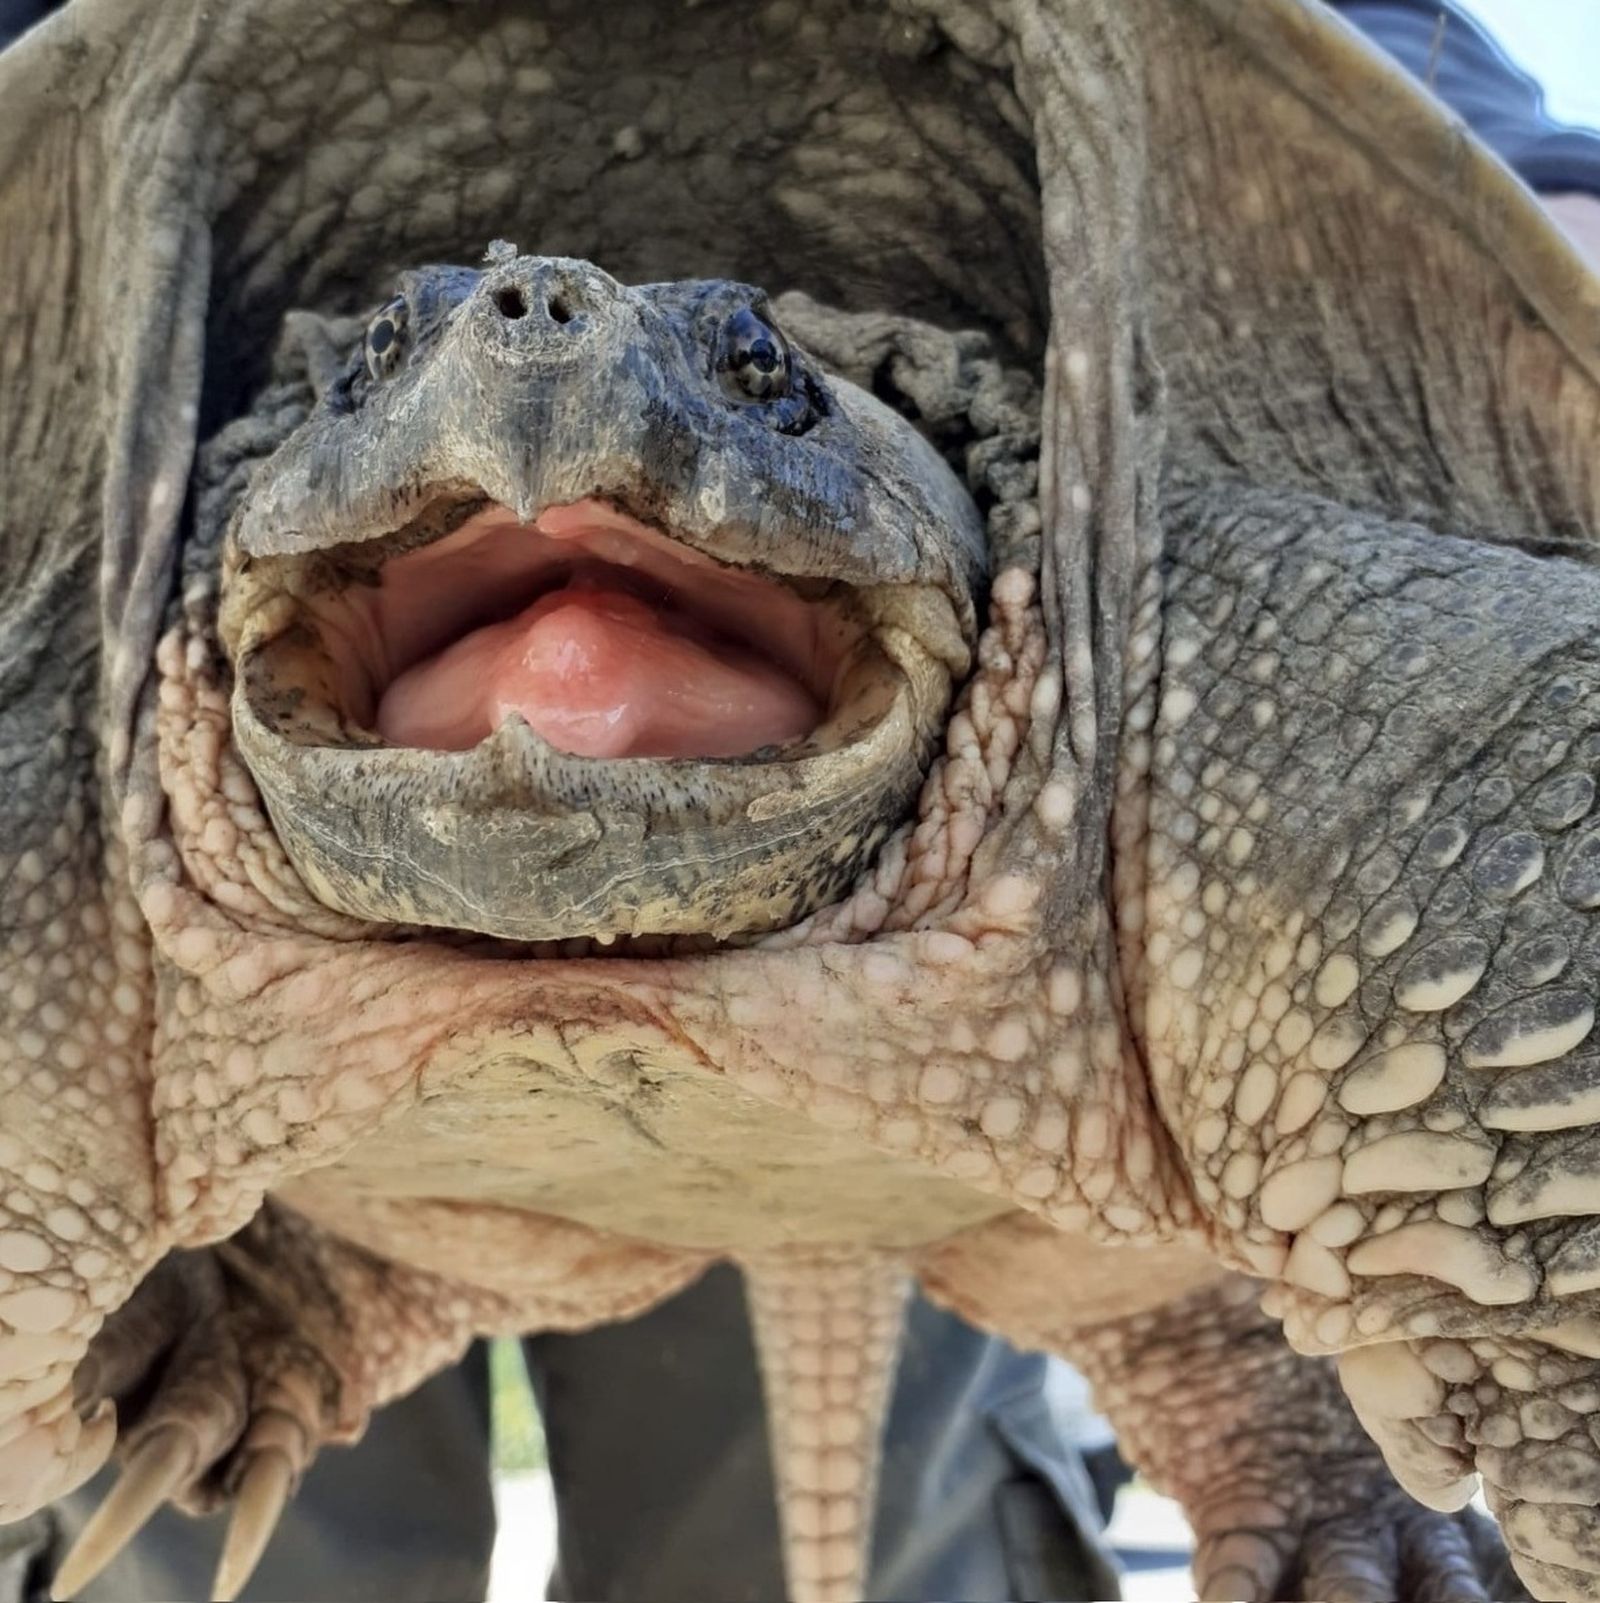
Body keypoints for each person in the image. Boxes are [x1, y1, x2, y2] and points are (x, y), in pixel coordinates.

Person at [2, 4, 1597, 1600]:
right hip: (283, 1193)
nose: (531, 366)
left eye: (753, 380)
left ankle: (1234, 1351)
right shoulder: (102, 679)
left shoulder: (1236, 671)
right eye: (399, 367)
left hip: (1108, 1080)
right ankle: (291, 1285)